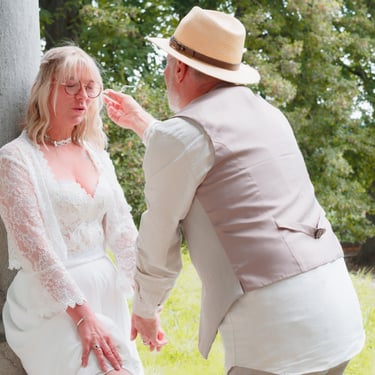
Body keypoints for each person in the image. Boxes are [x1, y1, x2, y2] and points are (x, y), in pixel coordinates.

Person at [104, 6, 365, 375]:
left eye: (167, 63)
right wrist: (143, 124)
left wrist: (146, 309)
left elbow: (159, 237)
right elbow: (205, 152)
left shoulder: (183, 136)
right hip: (337, 311)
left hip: (276, 329)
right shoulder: (269, 114)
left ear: (179, 68)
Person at [0, 45, 144, 375]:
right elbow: (34, 248)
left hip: (106, 294)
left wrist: (146, 305)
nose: (82, 96)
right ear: (45, 88)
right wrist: (83, 316)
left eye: (90, 87)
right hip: (49, 304)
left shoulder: (96, 153)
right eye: (70, 85)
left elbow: (123, 231)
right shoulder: (15, 159)